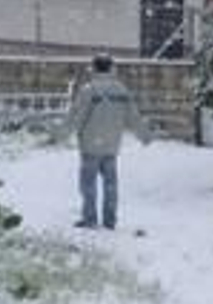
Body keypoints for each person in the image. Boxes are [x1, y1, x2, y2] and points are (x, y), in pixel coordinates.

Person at [63, 53, 152, 229]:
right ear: (111, 68)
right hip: (112, 145)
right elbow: (133, 116)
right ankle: (110, 220)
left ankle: (90, 219)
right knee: (111, 185)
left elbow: (76, 117)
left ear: (94, 68)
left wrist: (59, 134)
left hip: (90, 145)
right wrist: (144, 136)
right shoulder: (121, 90)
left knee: (88, 185)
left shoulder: (89, 91)